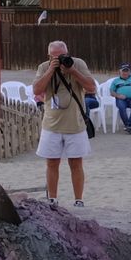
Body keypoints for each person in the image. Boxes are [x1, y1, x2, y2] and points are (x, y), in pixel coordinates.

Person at [32, 40, 97, 206]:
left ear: (67, 53)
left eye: (62, 56)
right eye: (55, 57)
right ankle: (52, 199)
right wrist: (51, 70)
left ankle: (79, 200)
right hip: (51, 124)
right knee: (52, 163)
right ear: (49, 56)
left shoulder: (78, 63)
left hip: (75, 124)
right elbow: (37, 90)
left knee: (76, 163)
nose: (60, 59)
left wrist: (73, 71)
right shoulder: (43, 67)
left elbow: (91, 88)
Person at [109, 63, 131, 134]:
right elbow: (111, 92)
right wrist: (118, 95)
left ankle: (128, 126)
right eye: (123, 71)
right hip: (121, 99)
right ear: (120, 71)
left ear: (129, 72)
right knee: (122, 107)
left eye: (127, 71)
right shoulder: (116, 81)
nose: (125, 73)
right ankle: (129, 126)